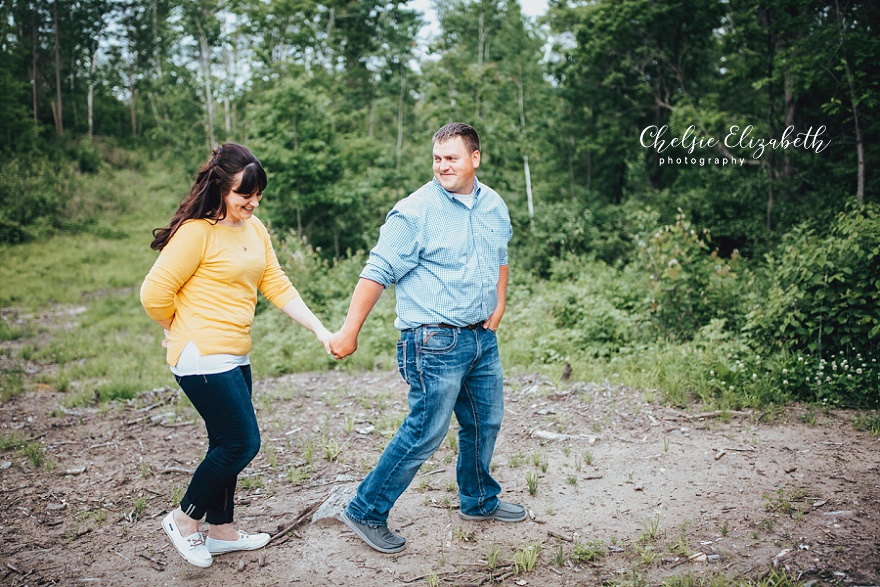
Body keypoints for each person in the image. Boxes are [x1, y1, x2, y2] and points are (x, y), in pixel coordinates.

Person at [328, 123, 524, 554]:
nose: (442, 166)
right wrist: (349, 331)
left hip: (480, 338)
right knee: (425, 432)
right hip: (433, 341)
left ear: (475, 157)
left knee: (484, 422)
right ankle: (365, 509)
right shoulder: (414, 211)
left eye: (451, 158)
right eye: (437, 158)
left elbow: (500, 255)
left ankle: (478, 501)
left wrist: (500, 302)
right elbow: (376, 271)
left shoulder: (493, 204)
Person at [141, 143, 332, 568]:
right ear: (222, 189)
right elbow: (153, 293)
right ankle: (183, 518)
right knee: (242, 442)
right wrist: (173, 327)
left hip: (233, 354)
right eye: (245, 196)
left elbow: (276, 283)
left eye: (258, 195)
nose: (253, 203)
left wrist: (320, 329)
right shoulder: (196, 232)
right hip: (201, 355)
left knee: (224, 441)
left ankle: (222, 531)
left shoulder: (254, 229)